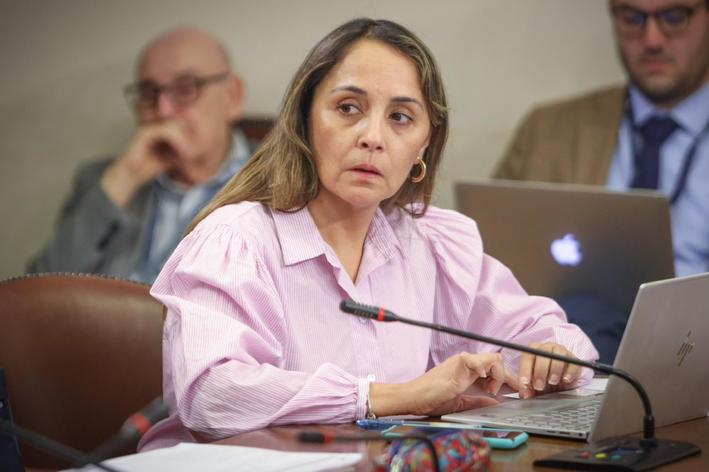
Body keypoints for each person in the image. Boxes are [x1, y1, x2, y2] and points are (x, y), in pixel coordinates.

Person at [138, 18, 598, 451]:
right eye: (348, 108)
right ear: (304, 120)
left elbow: (551, 336)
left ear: (423, 144)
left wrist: (550, 357)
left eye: (400, 117)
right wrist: (392, 396)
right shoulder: (236, 240)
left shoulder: (430, 244)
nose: (373, 137)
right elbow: (213, 395)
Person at [494, 0, 709, 362]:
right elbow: (489, 264)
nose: (652, 40)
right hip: (568, 349)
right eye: (632, 18)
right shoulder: (549, 130)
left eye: (674, 17)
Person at [27, 27, 252, 284]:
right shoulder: (101, 181)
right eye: (148, 93)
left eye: (185, 89)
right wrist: (124, 178)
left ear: (233, 96)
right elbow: (38, 289)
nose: (163, 110)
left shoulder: (279, 181)